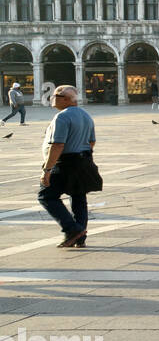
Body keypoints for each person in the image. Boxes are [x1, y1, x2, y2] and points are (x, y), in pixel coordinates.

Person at [38, 85, 100, 248]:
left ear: (66, 99)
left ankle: (73, 229)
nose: (52, 97)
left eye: (56, 95)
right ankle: (79, 238)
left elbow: (57, 145)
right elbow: (92, 141)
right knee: (78, 196)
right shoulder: (86, 116)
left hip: (65, 162)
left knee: (46, 196)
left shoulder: (62, 117)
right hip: (83, 160)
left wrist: (47, 170)